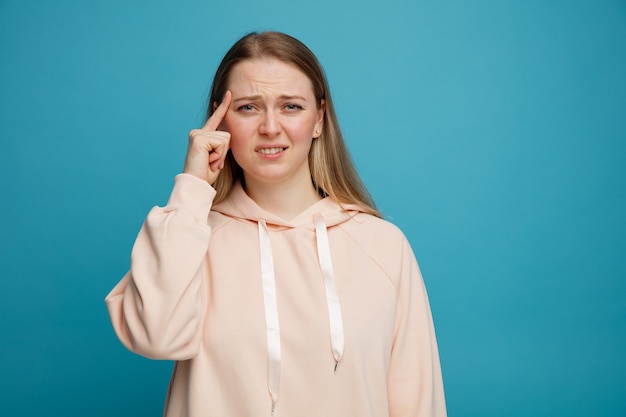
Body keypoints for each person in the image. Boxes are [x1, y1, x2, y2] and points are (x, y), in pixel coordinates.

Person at [105, 31, 446, 417]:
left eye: (291, 107)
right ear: (220, 121)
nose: (270, 127)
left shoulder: (383, 246)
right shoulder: (190, 237)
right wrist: (191, 191)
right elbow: (155, 337)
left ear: (320, 119)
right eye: (249, 107)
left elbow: (418, 400)